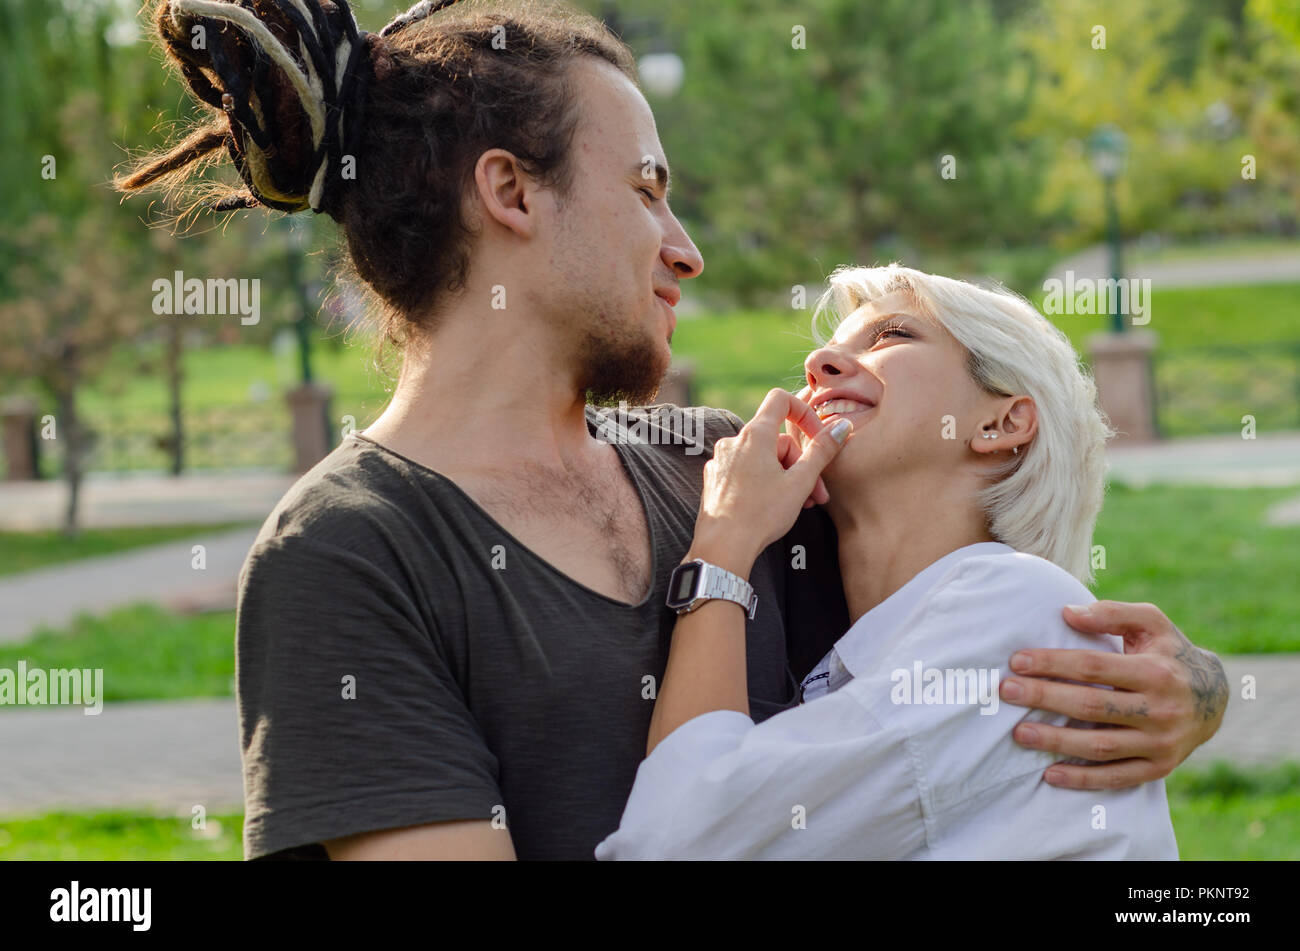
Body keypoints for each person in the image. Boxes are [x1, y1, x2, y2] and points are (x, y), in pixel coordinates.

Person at [116, 0, 1227, 861]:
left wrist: (1185, 689)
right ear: (511, 192)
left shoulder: (734, 473)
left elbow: (965, 618)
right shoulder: (350, 553)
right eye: (648, 188)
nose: (685, 247)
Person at [596, 265, 1182, 859]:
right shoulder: (850, 649)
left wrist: (722, 542)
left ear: (1001, 423)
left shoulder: (1016, 609)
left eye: (891, 336)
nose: (820, 362)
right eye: (831, 347)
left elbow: (677, 843)